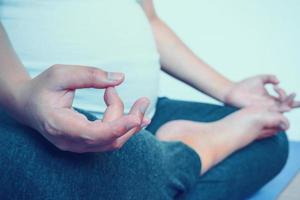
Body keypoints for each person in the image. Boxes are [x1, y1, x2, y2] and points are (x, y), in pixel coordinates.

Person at [0, 0, 299, 199]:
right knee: (19, 162)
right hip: (30, 118)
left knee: (269, 139)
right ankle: (196, 149)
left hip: (147, 113)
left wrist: (229, 90)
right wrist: (21, 95)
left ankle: (160, 164)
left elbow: (150, 20)